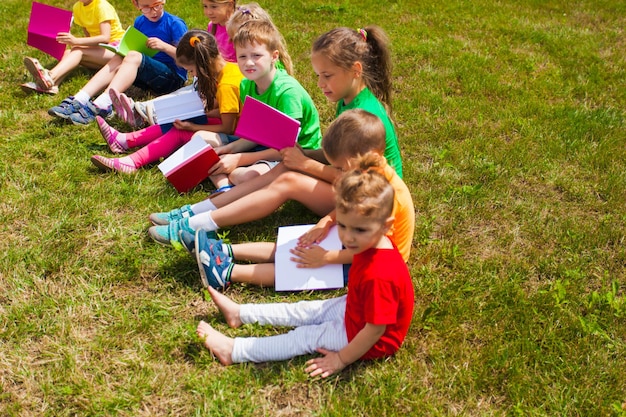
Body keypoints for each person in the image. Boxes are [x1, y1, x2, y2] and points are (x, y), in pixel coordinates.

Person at [147, 26, 399, 248]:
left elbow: (358, 180)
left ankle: (198, 224)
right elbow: (339, 159)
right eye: (318, 75)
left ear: (355, 70)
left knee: (288, 179)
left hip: (370, 204)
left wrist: (305, 163)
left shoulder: (363, 113)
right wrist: (305, 156)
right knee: (285, 171)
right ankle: (194, 213)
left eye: (327, 75)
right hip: (357, 189)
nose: (321, 84)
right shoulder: (348, 99)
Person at [195, 157, 415, 378]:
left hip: (365, 337)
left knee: (305, 336)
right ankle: (240, 313)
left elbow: (375, 330)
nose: (348, 237)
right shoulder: (374, 242)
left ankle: (234, 351)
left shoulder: (379, 276)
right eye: (343, 226)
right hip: (355, 309)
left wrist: (340, 358)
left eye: (359, 230)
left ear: (386, 225)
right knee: (305, 310)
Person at [189, 109, 415, 290]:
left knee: (299, 264)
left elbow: (370, 249)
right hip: (360, 236)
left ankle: (228, 273)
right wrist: (325, 222)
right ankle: (227, 251)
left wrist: (327, 258)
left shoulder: (386, 192)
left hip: (377, 263)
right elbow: (353, 208)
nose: (340, 172)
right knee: (300, 246)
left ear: (371, 156)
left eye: (343, 167)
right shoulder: (369, 174)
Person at [90, 30, 242, 174]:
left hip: (238, 139)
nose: (192, 75)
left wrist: (193, 126)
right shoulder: (229, 69)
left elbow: (228, 127)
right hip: (235, 127)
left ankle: (132, 162)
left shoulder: (226, 86)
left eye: (191, 70)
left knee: (180, 131)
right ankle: (124, 140)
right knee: (179, 119)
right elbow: (227, 111)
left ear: (203, 64)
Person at [48, 0, 188, 125]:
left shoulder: (175, 24)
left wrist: (164, 46)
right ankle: (80, 98)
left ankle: (104, 103)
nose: (153, 11)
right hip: (146, 74)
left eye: (157, 5)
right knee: (120, 56)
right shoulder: (140, 21)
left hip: (172, 79)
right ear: (136, 4)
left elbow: (189, 59)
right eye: (146, 7)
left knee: (132, 56)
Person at [22, 0, 125, 95]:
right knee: (69, 52)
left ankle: (50, 76)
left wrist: (76, 41)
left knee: (78, 51)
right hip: (102, 49)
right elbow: (90, 37)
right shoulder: (78, 8)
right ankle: (53, 85)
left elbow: (105, 38)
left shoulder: (102, 6)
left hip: (116, 50)